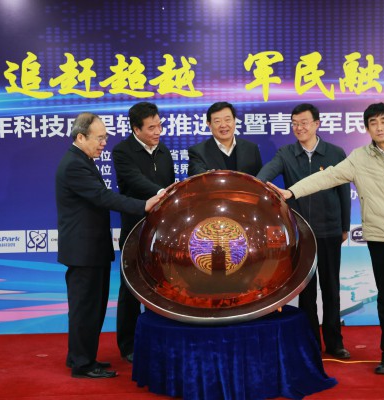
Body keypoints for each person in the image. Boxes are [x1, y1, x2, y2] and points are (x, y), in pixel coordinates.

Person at [271, 102, 384, 375]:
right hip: (379, 237)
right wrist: (292, 192)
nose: (379, 127)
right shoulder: (358, 158)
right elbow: (326, 177)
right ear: (367, 128)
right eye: (373, 123)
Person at [55, 112, 163, 379]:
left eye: (105, 137)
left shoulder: (82, 160)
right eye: (99, 138)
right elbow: (102, 197)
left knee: (91, 307)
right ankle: (82, 364)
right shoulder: (74, 165)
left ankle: (80, 356)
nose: (104, 143)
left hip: (91, 250)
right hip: (83, 252)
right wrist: (143, 205)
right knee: (85, 308)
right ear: (81, 137)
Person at [256, 103, 351, 359]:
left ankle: (335, 342)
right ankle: (310, 343)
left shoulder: (335, 153)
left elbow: (344, 192)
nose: (299, 128)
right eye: (295, 124)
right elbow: (266, 174)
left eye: (304, 123)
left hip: (329, 229)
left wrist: (344, 226)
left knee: (331, 288)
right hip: (301, 234)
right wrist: (256, 184)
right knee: (306, 292)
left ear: (317, 124)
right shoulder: (286, 153)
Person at [112, 102, 175, 363]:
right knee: (130, 288)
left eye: (159, 125)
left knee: (162, 287)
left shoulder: (164, 151)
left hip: (161, 232)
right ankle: (128, 344)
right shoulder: (122, 151)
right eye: (151, 128)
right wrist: (162, 193)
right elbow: (135, 181)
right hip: (135, 230)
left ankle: (158, 341)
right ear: (136, 129)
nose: (157, 131)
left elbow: (169, 183)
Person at [188, 101, 263, 176]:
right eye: (217, 121)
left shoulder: (251, 149)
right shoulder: (198, 152)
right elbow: (198, 177)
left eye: (227, 120)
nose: (223, 125)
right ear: (209, 124)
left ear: (234, 120)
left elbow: (259, 179)